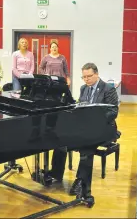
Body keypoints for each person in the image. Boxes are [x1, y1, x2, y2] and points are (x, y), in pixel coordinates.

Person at [48, 63, 119, 202]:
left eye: (89, 76)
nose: (86, 80)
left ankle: (81, 181)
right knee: (60, 139)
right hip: (86, 126)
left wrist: (95, 119)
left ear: (97, 74)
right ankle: (56, 173)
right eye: (84, 77)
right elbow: (81, 106)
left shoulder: (108, 89)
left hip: (104, 127)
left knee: (87, 146)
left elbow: (113, 112)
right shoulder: (83, 88)